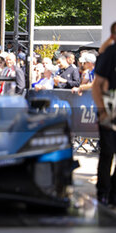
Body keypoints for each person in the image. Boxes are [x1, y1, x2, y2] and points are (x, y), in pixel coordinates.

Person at [92, 21, 116, 206]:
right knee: (108, 151)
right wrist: (102, 110)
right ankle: (103, 192)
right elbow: (96, 86)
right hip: (110, 105)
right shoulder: (110, 53)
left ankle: (113, 191)